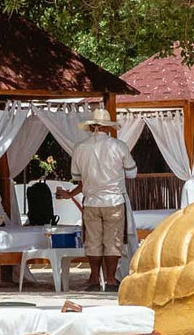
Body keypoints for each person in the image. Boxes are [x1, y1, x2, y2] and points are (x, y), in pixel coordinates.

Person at [58, 107, 137, 290]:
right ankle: (110, 279)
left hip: (91, 201)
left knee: (92, 241)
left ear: (92, 126)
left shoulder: (80, 148)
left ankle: (94, 278)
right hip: (114, 200)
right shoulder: (119, 146)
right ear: (108, 128)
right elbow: (132, 173)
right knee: (113, 241)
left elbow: (78, 178)